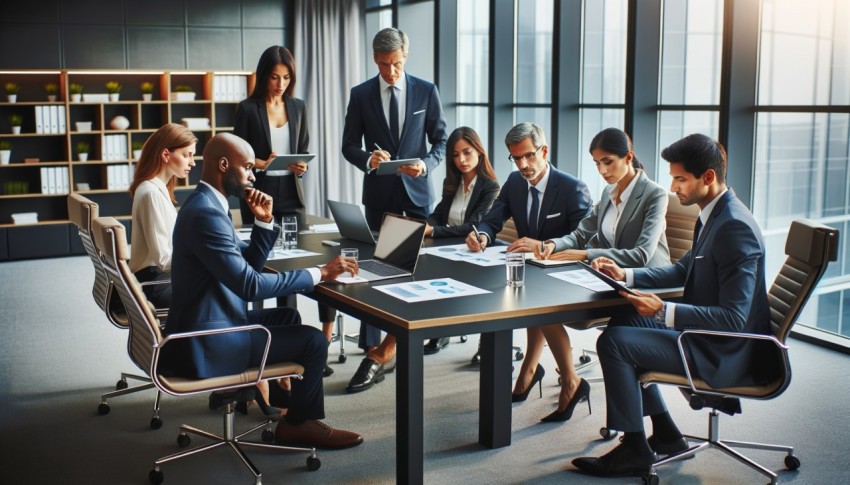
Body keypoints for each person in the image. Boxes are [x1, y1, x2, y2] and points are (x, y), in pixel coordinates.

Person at [572, 134, 770, 477]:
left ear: (707, 177)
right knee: (625, 319)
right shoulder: (713, 214)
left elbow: (735, 320)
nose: (672, 186)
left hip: (724, 351)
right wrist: (627, 275)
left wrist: (663, 310)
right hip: (703, 334)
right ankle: (666, 434)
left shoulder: (734, 227)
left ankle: (635, 449)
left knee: (614, 342)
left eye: (680, 178)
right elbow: (683, 270)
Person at [163, 132, 363, 449]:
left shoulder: (207, 204)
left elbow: (248, 268)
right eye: (247, 168)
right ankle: (299, 425)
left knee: (287, 315)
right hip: (207, 344)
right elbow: (251, 286)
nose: (254, 176)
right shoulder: (206, 214)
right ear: (224, 165)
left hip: (208, 323)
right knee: (312, 341)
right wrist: (320, 273)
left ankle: (286, 403)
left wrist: (265, 223)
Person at [517, 127, 671, 422]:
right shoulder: (608, 192)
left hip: (646, 282)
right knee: (543, 299)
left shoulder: (655, 194)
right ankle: (572, 382)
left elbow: (641, 255)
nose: (602, 170)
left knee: (607, 335)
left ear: (628, 157)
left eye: (608, 162)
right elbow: (581, 232)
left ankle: (635, 425)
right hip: (609, 279)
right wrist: (552, 245)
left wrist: (586, 254)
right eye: (597, 163)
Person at [341, 27, 448, 392]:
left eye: (397, 63)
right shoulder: (361, 95)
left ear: (406, 54)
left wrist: (427, 164)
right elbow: (348, 145)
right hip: (380, 196)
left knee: (411, 276)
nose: (391, 72)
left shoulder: (426, 90)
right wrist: (368, 159)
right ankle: (377, 348)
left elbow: (442, 140)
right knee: (378, 273)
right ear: (375, 58)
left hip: (417, 195)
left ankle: (391, 347)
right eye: (385, 65)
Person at [234, 45, 338, 378]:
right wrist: (259, 164)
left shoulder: (298, 106)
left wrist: (301, 166)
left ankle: (300, 340)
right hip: (259, 194)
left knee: (295, 263)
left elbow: (303, 149)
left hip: (291, 194)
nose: (280, 83)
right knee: (261, 266)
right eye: (275, 77)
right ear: (264, 76)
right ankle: (256, 343)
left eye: (286, 77)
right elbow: (239, 156)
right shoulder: (248, 109)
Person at [465, 121, 593, 381]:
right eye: (516, 158)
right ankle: (529, 371)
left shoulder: (572, 188)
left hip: (565, 273)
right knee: (497, 292)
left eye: (529, 156)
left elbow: (584, 242)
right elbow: (492, 220)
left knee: (531, 302)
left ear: (544, 151)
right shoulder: (514, 182)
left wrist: (543, 246)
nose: (523, 165)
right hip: (531, 273)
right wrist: (482, 235)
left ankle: (563, 378)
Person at [422, 126, 500, 354]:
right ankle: (440, 329)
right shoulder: (453, 182)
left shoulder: (491, 187)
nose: (461, 160)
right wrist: (425, 225)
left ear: (479, 151)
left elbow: (473, 226)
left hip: (476, 253)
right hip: (450, 250)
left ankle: (482, 343)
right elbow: (438, 214)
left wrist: (433, 232)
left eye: (466, 152)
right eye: (455, 155)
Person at [128, 123, 197, 310]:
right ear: (166, 154)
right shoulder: (151, 192)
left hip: (158, 277)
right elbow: (164, 258)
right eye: (186, 155)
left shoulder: (158, 188)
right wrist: (203, 258)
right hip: (155, 283)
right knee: (220, 286)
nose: (192, 162)